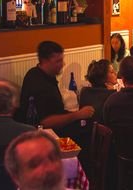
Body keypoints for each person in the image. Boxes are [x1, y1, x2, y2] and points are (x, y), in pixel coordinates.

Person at [14, 41, 94, 174]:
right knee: (88, 130)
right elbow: (46, 121)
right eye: (58, 61)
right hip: (46, 136)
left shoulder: (34, 73)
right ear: (45, 61)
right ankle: (82, 174)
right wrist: (78, 114)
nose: (62, 64)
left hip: (40, 129)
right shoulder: (41, 86)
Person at [80, 59, 118, 124]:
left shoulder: (84, 91)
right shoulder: (112, 95)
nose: (115, 73)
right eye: (111, 72)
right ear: (103, 77)